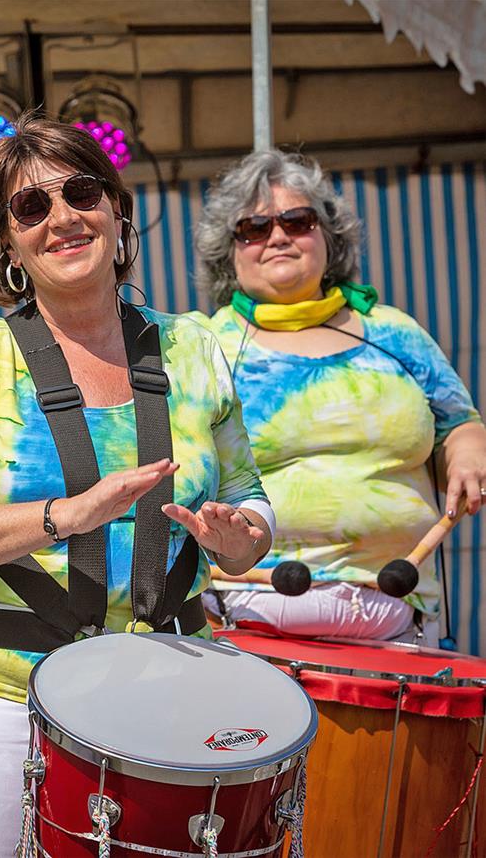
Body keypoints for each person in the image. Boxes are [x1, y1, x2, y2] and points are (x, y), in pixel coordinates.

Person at [0, 117, 274, 857]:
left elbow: (250, 494)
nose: (63, 217)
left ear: (116, 210)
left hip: (178, 683)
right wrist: (61, 516)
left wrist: (242, 536)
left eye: (81, 191)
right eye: (31, 208)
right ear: (5, 245)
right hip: (7, 697)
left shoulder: (194, 344)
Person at [194, 150, 486, 643]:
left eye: (297, 220)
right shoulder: (203, 345)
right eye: (254, 228)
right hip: (242, 613)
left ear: (329, 236)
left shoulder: (393, 331)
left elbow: (457, 421)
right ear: (230, 252)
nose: (278, 236)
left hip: (399, 606)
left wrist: (467, 448)